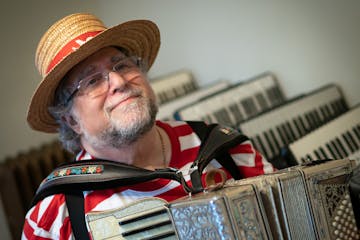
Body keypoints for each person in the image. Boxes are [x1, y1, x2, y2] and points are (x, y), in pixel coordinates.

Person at [22, 13, 275, 239]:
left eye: (122, 65)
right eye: (92, 81)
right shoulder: (54, 216)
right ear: (71, 120)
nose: (119, 81)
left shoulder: (226, 150)